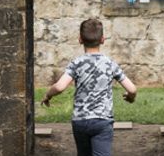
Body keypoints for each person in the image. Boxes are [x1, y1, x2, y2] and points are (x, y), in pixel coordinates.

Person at [40, 18, 137, 156]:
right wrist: (130, 98)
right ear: (103, 39)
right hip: (102, 121)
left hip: (80, 121)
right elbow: (132, 89)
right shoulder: (110, 64)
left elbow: (60, 87)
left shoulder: (76, 63)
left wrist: (48, 95)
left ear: (80, 39)